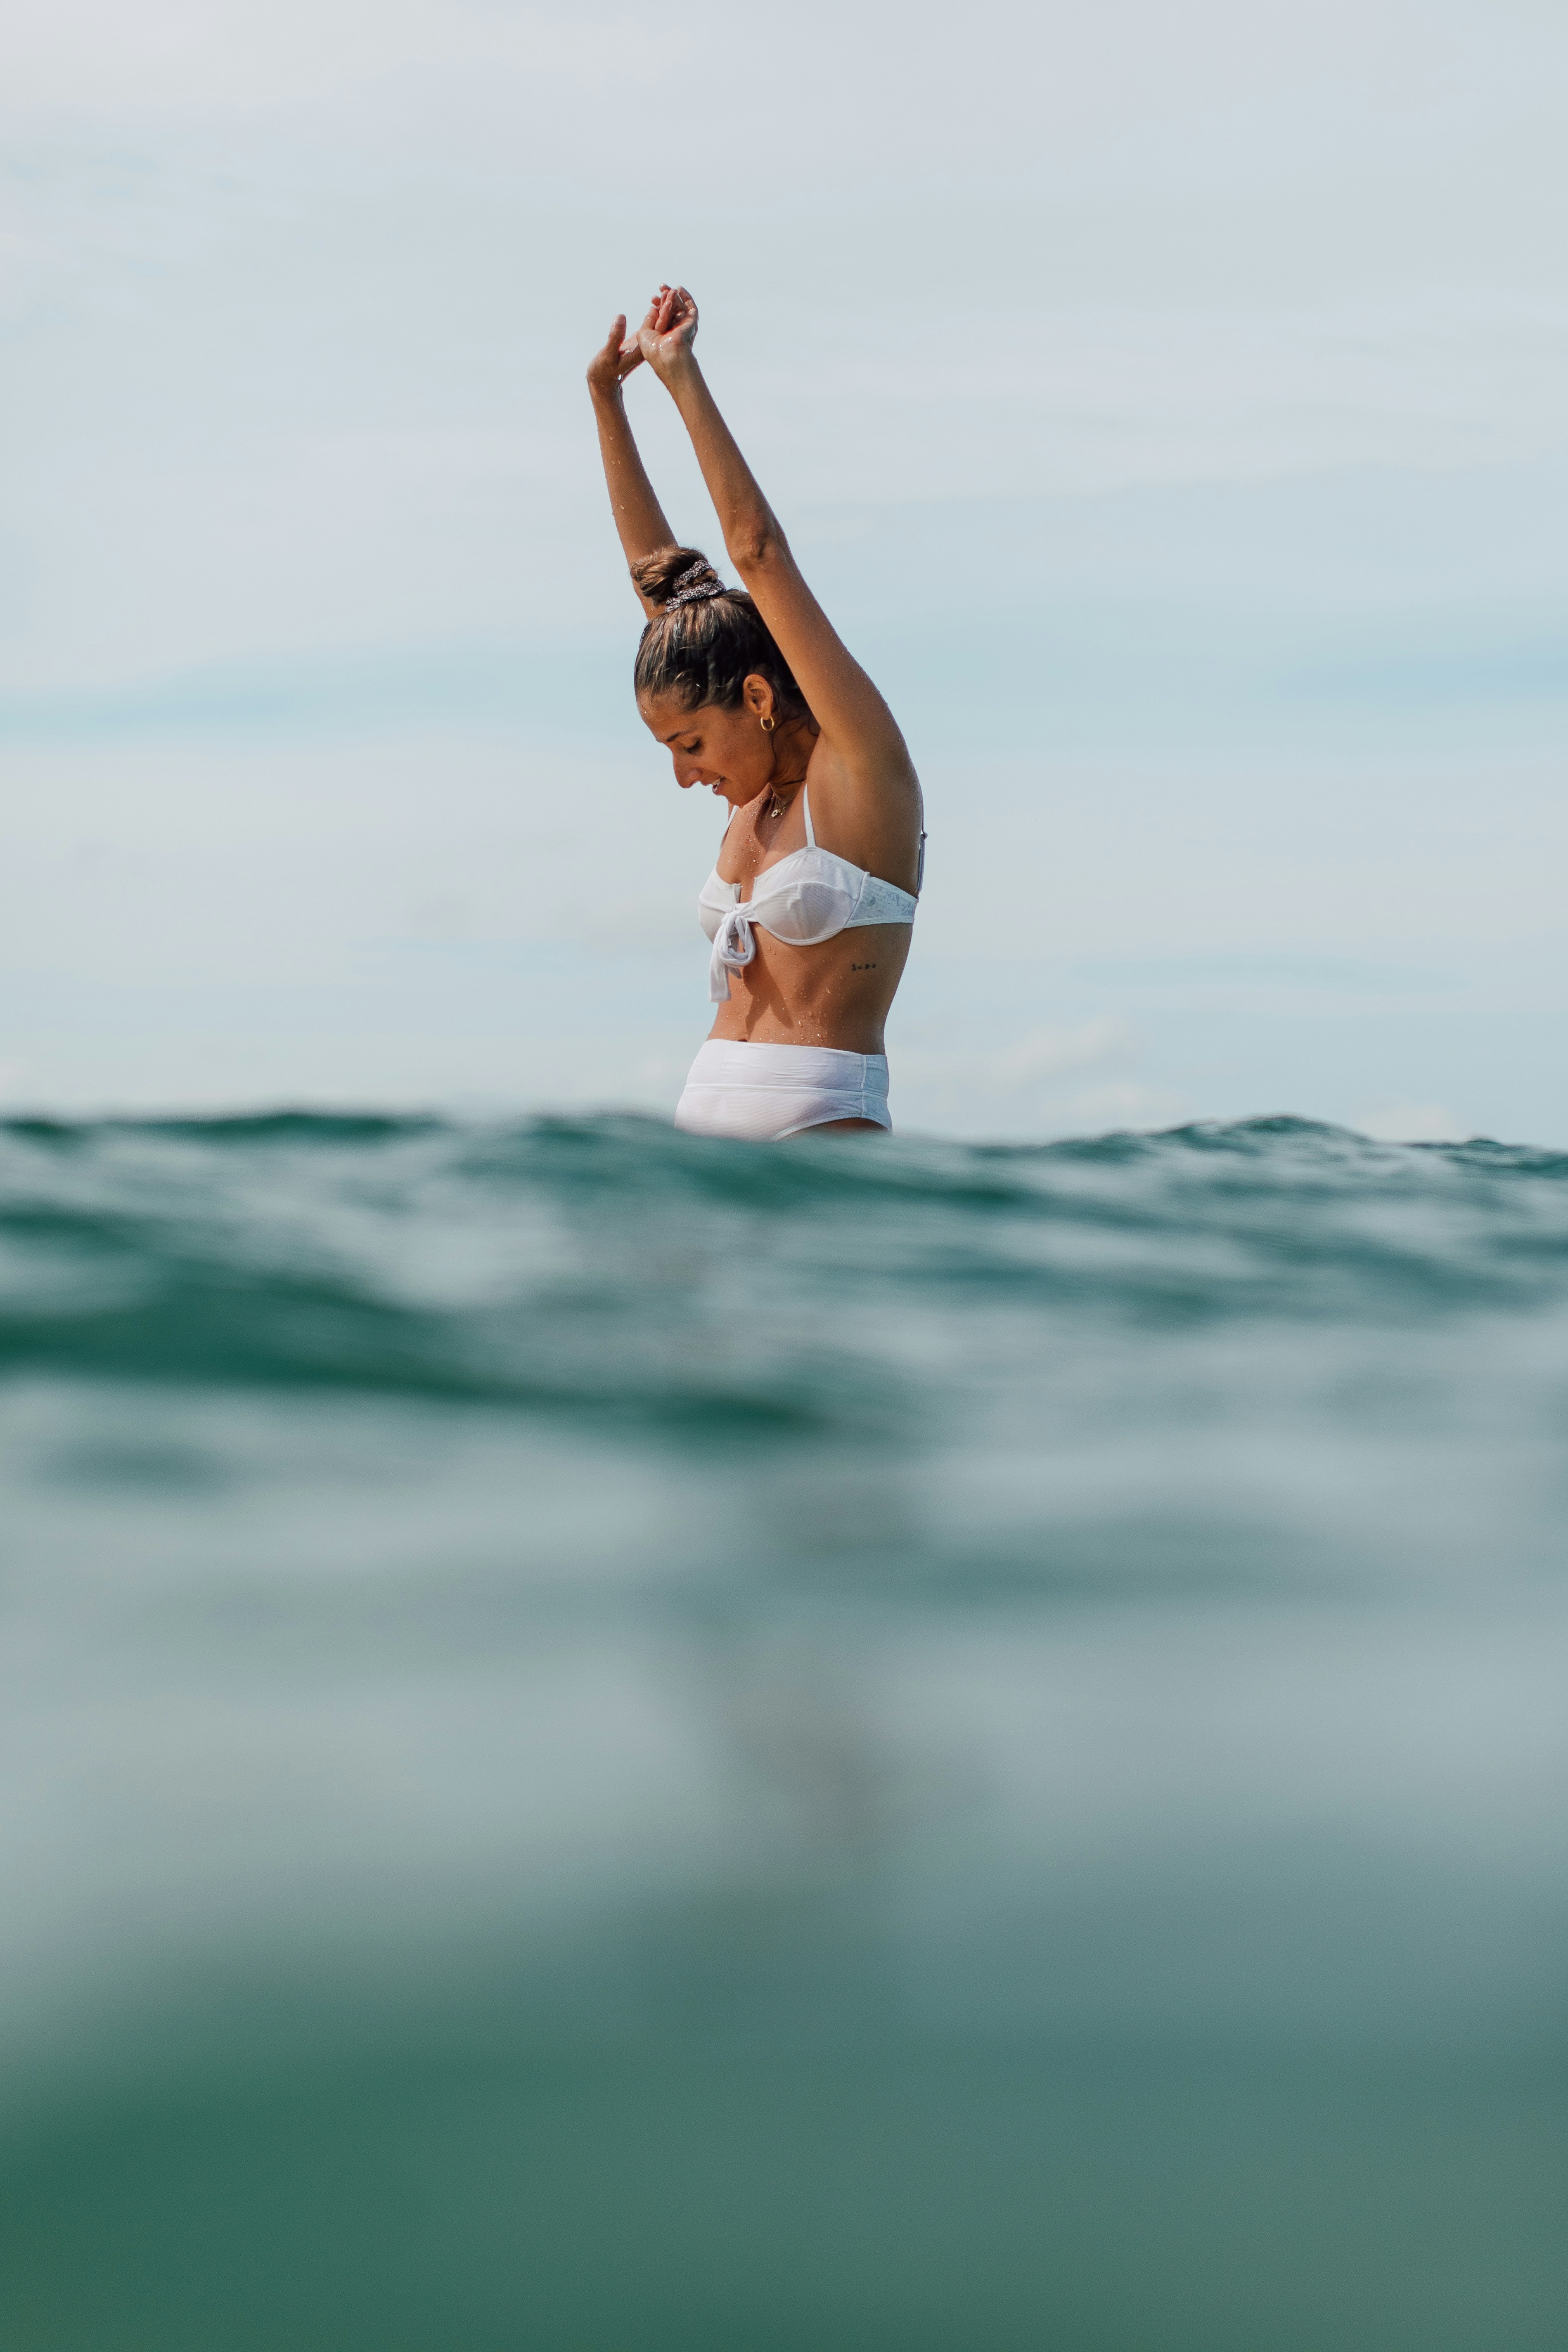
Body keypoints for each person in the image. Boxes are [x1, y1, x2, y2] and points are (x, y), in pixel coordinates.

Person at [587, 285, 925, 1140]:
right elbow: (666, 587)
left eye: (690, 742)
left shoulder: (859, 770)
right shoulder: (753, 795)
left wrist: (680, 378)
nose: (683, 773)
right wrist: (608, 406)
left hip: (820, 1130)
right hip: (707, 1141)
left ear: (760, 698)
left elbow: (756, 553)